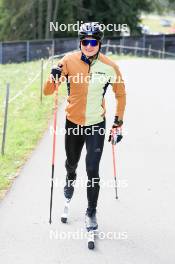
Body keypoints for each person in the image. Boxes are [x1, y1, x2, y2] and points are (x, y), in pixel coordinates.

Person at [43, 22, 126, 231]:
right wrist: (52, 77)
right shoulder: (68, 61)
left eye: (93, 42)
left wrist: (118, 121)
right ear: (80, 42)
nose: (89, 46)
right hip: (73, 123)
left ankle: (91, 211)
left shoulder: (110, 66)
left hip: (96, 124)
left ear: (100, 43)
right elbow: (47, 91)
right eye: (85, 42)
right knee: (71, 163)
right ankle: (70, 179)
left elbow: (120, 94)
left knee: (92, 169)